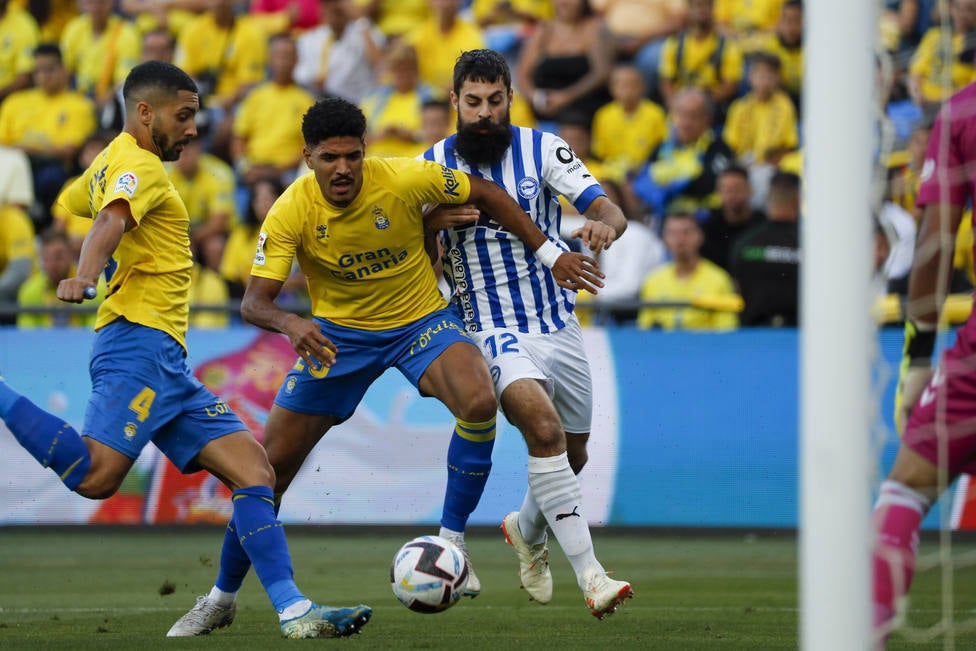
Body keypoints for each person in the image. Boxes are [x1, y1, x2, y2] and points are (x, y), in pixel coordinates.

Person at [168, 94, 606, 634]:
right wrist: (293, 324)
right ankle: (221, 597)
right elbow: (254, 302)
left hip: (420, 323)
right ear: (308, 157)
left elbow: (488, 193)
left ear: (365, 151)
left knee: (477, 398)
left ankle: (451, 543)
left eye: (353, 155)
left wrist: (549, 252)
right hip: (336, 340)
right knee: (265, 472)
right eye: (330, 158)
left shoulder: (404, 178)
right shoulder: (290, 210)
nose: (344, 168)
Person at [0, 61, 371, 640]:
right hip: (137, 345)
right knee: (97, 478)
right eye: (184, 116)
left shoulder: (114, 160)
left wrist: (106, 197)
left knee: (255, 472)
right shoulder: (140, 167)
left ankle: (292, 611)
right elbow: (107, 219)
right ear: (145, 113)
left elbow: (79, 197)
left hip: (164, 358)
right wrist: (87, 273)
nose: (194, 129)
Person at [422, 48, 634, 617]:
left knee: (575, 452)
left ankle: (525, 527)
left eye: (495, 101)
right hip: (486, 326)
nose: (485, 113)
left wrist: (601, 225)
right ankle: (593, 576)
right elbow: (413, 256)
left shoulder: (542, 148)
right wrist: (430, 225)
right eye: (474, 102)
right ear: (455, 102)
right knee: (543, 429)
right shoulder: (432, 165)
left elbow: (608, 207)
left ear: (510, 98)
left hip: (556, 321)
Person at [873, 79, 976, 646]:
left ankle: (863, 636)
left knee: (907, 487)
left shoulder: (962, 110)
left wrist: (918, 357)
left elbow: (935, 243)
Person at [0, 43, 97, 228]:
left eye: (49, 69)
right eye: (38, 71)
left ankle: (43, 227)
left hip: (51, 166)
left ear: (63, 70)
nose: (43, 76)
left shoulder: (80, 105)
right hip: (15, 163)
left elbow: (69, 151)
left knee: (51, 178)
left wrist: (26, 147)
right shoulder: (15, 101)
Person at [514, 0, 613, 128]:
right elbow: (522, 73)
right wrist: (535, 97)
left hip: (583, 104)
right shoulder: (544, 30)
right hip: (544, 104)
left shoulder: (595, 28)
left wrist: (567, 97)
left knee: (573, 123)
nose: (564, 3)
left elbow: (601, 73)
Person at [636, 209, 738, 330]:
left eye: (686, 232)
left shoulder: (719, 279)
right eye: (673, 233)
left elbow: (726, 330)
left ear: (700, 236)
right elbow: (644, 330)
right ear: (664, 239)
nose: (680, 240)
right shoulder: (653, 281)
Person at [728, 169, 799, 326]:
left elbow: (735, 286)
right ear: (797, 200)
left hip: (753, 335)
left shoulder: (745, 242)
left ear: (769, 200)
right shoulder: (809, 243)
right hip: (799, 334)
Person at [699, 164, 765, 272]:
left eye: (737, 189)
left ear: (750, 190)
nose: (732, 195)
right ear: (718, 193)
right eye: (727, 190)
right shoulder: (708, 228)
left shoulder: (763, 224)